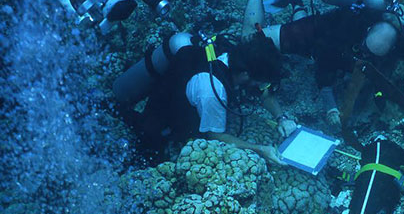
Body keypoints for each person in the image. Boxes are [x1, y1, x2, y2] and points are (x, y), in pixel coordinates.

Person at [237, 0, 404, 131]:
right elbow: (323, 67)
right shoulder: (342, 30)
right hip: (315, 31)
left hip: (329, 43)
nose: (366, 56)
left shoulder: (400, 40)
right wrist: (331, 107)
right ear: (364, 36)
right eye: (364, 51)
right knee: (251, 39)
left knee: (305, 48)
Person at [113, 29, 296, 164]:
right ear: (245, 75)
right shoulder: (212, 91)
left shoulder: (234, 56)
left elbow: (263, 92)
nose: (261, 87)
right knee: (148, 146)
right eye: (260, 82)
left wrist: (281, 118)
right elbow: (215, 136)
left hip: (183, 80)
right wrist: (260, 150)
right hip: (162, 120)